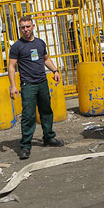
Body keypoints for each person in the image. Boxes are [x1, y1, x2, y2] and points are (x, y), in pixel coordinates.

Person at [8, 15, 64, 160]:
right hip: (28, 85)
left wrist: (55, 71)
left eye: (28, 26)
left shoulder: (40, 43)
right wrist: (13, 86)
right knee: (28, 115)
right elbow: (12, 66)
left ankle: (49, 137)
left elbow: (46, 59)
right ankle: (25, 146)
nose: (26, 29)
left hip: (42, 82)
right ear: (20, 29)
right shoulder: (17, 46)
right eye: (23, 27)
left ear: (33, 26)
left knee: (46, 111)